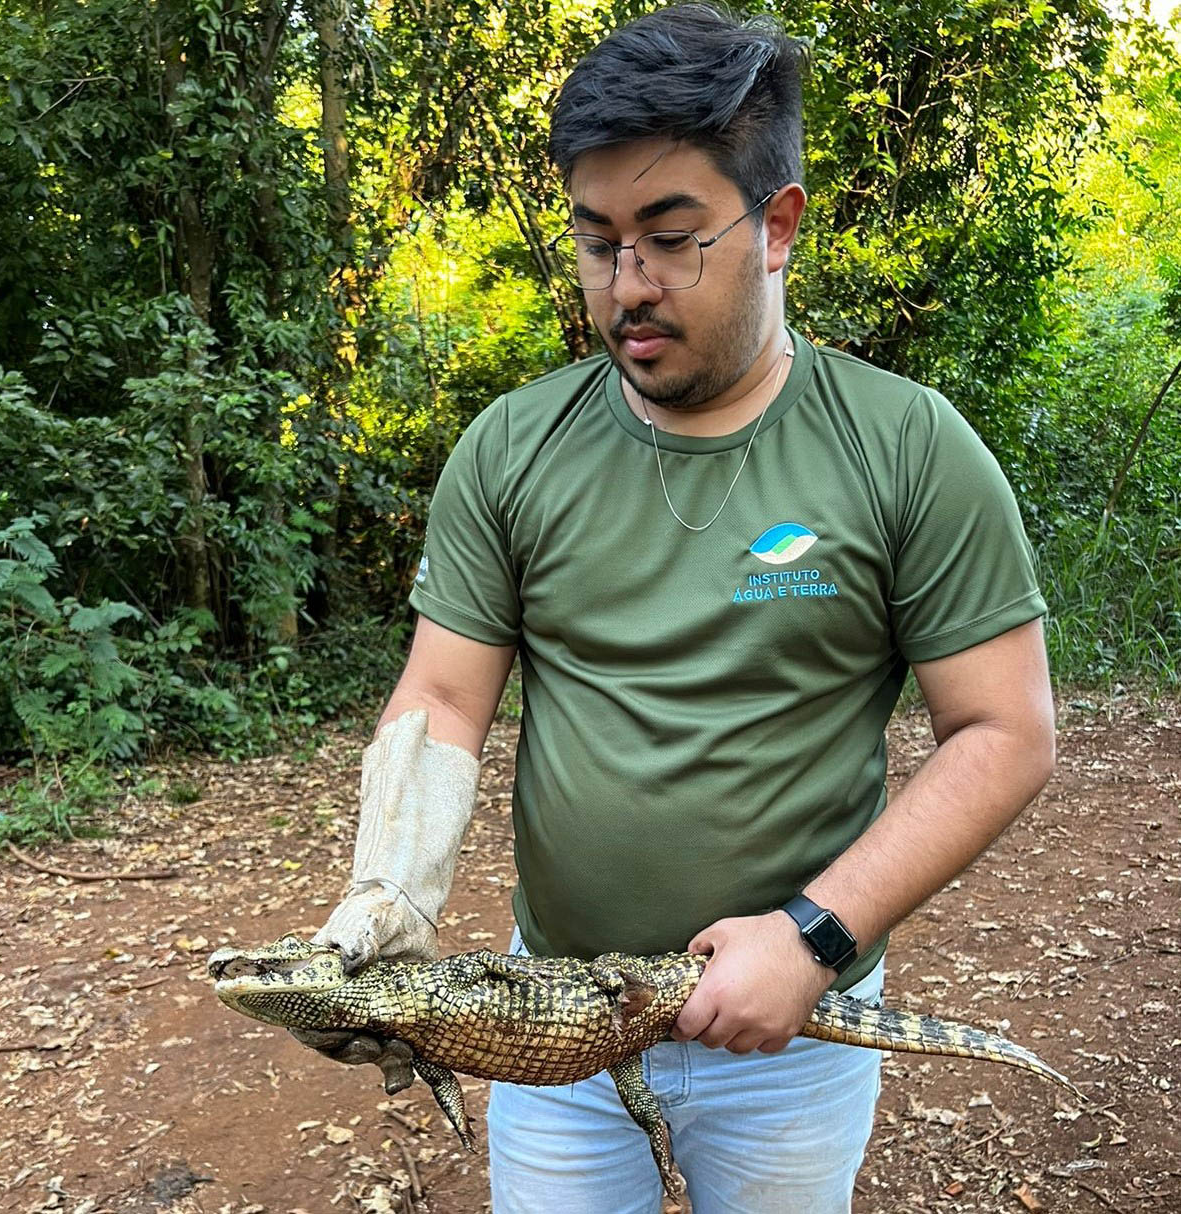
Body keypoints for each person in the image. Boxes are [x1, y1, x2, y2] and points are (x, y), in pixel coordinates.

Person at [296, 5, 1056, 1212]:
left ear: (777, 225)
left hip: (796, 1032)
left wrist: (811, 938)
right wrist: (385, 897)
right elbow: (441, 697)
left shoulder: (907, 447)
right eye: (596, 242)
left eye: (669, 237)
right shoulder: (513, 447)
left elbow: (1004, 731)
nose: (626, 286)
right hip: (549, 1024)